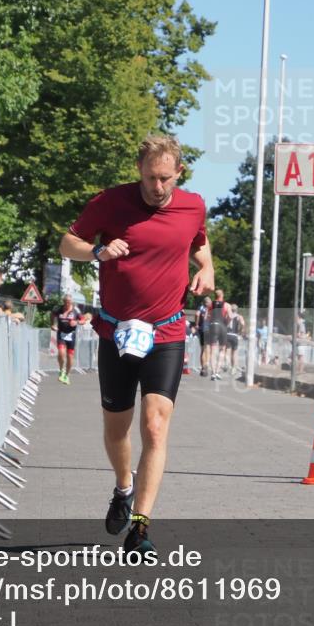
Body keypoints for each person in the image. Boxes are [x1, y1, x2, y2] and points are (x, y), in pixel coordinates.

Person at [59, 135, 214, 554]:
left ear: (178, 173)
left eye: (165, 178)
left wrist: (208, 270)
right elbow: (66, 243)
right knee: (116, 428)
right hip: (116, 330)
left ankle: (141, 528)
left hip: (166, 330)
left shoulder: (193, 205)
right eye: (150, 178)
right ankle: (123, 487)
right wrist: (98, 251)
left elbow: (199, 243)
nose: (158, 187)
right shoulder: (110, 202)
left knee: (155, 425)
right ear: (138, 170)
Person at [53, 295, 84, 384]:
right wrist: (53, 324)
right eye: (65, 302)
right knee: (61, 352)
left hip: (71, 335)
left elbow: (83, 320)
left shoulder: (76, 310)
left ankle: (67, 375)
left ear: (71, 302)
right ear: (63, 302)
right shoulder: (59, 309)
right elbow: (53, 315)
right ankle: (61, 370)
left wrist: (77, 322)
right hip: (61, 334)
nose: (67, 304)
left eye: (69, 302)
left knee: (70, 357)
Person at [207, 288, 230, 379]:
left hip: (213, 325)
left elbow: (207, 317)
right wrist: (226, 323)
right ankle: (217, 371)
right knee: (222, 349)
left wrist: (211, 322)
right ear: (222, 295)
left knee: (213, 349)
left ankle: (212, 372)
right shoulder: (226, 305)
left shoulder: (210, 304)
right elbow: (230, 316)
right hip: (222, 326)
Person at [226, 304, 244, 373]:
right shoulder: (239, 316)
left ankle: (227, 365)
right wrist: (240, 331)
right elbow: (243, 324)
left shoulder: (228, 316)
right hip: (234, 335)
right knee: (234, 353)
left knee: (227, 351)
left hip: (227, 334)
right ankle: (233, 368)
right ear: (237, 310)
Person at [196, 297, 211, 376]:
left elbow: (197, 314)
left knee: (203, 349)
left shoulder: (200, 308)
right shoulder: (211, 309)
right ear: (207, 303)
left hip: (202, 330)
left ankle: (203, 367)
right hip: (208, 330)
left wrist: (197, 324)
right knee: (207, 348)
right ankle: (206, 366)